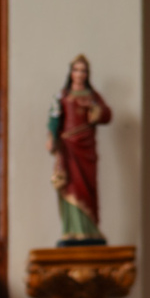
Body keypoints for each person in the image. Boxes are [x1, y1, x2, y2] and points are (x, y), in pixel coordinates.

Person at [47, 54, 112, 244]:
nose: (79, 74)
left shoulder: (92, 96)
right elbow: (54, 118)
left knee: (87, 185)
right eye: (76, 70)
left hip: (86, 148)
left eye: (83, 70)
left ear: (87, 74)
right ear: (71, 72)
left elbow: (107, 115)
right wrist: (51, 137)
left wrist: (93, 108)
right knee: (70, 185)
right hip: (68, 147)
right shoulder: (63, 95)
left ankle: (89, 229)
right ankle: (72, 230)